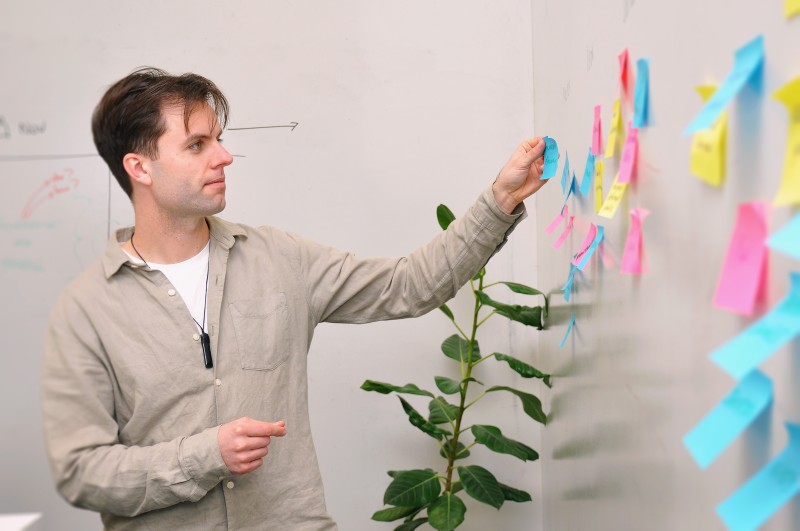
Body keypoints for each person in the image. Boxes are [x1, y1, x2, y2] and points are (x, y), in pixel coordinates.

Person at [41, 67, 549, 530]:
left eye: (218, 139)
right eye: (197, 145)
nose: (224, 156)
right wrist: (203, 455)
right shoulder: (86, 310)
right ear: (140, 168)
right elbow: (81, 471)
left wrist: (500, 200)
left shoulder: (280, 257)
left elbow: (410, 285)